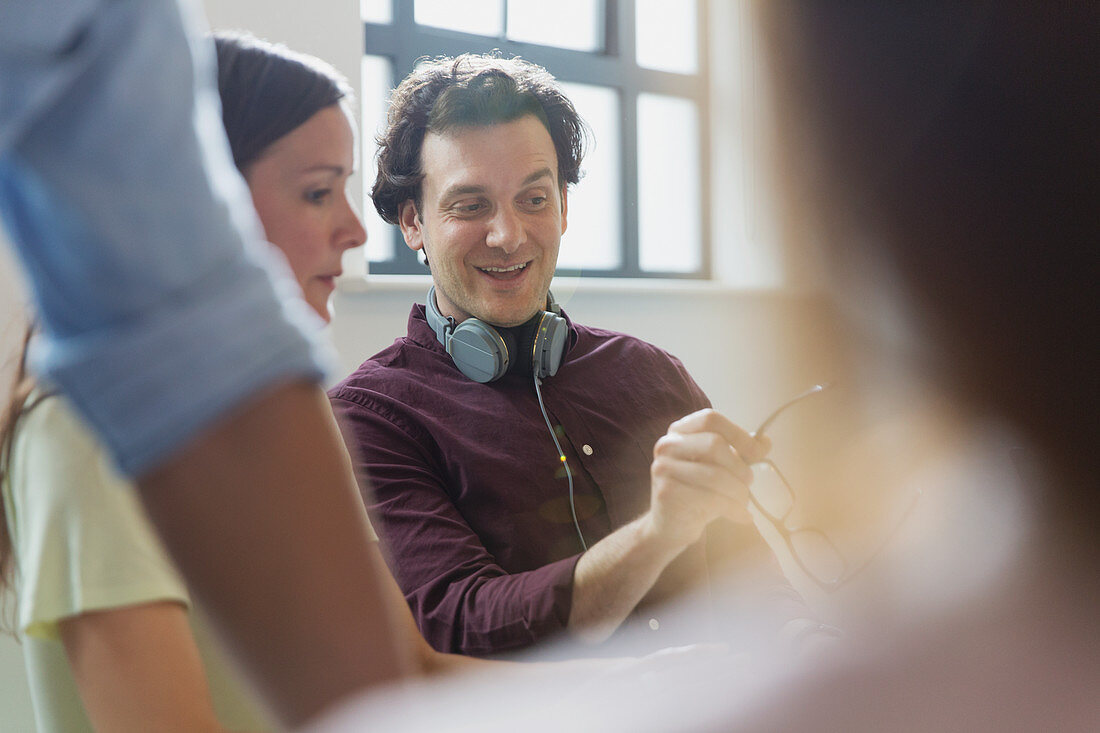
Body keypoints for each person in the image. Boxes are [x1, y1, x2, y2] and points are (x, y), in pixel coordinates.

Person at [0, 3, 420, 723]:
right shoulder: (86, 436)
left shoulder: (290, 410)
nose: (355, 229)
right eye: (319, 191)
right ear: (204, 201)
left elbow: (407, 676)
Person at [329, 54, 810, 658]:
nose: (508, 236)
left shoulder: (652, 373)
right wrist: (657, 536)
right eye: (470, 206)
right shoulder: (371, 414)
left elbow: (751, 575)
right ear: (413, 222)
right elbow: (462, 621)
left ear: (563, 207)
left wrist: (804, 635)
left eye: (533, 199)